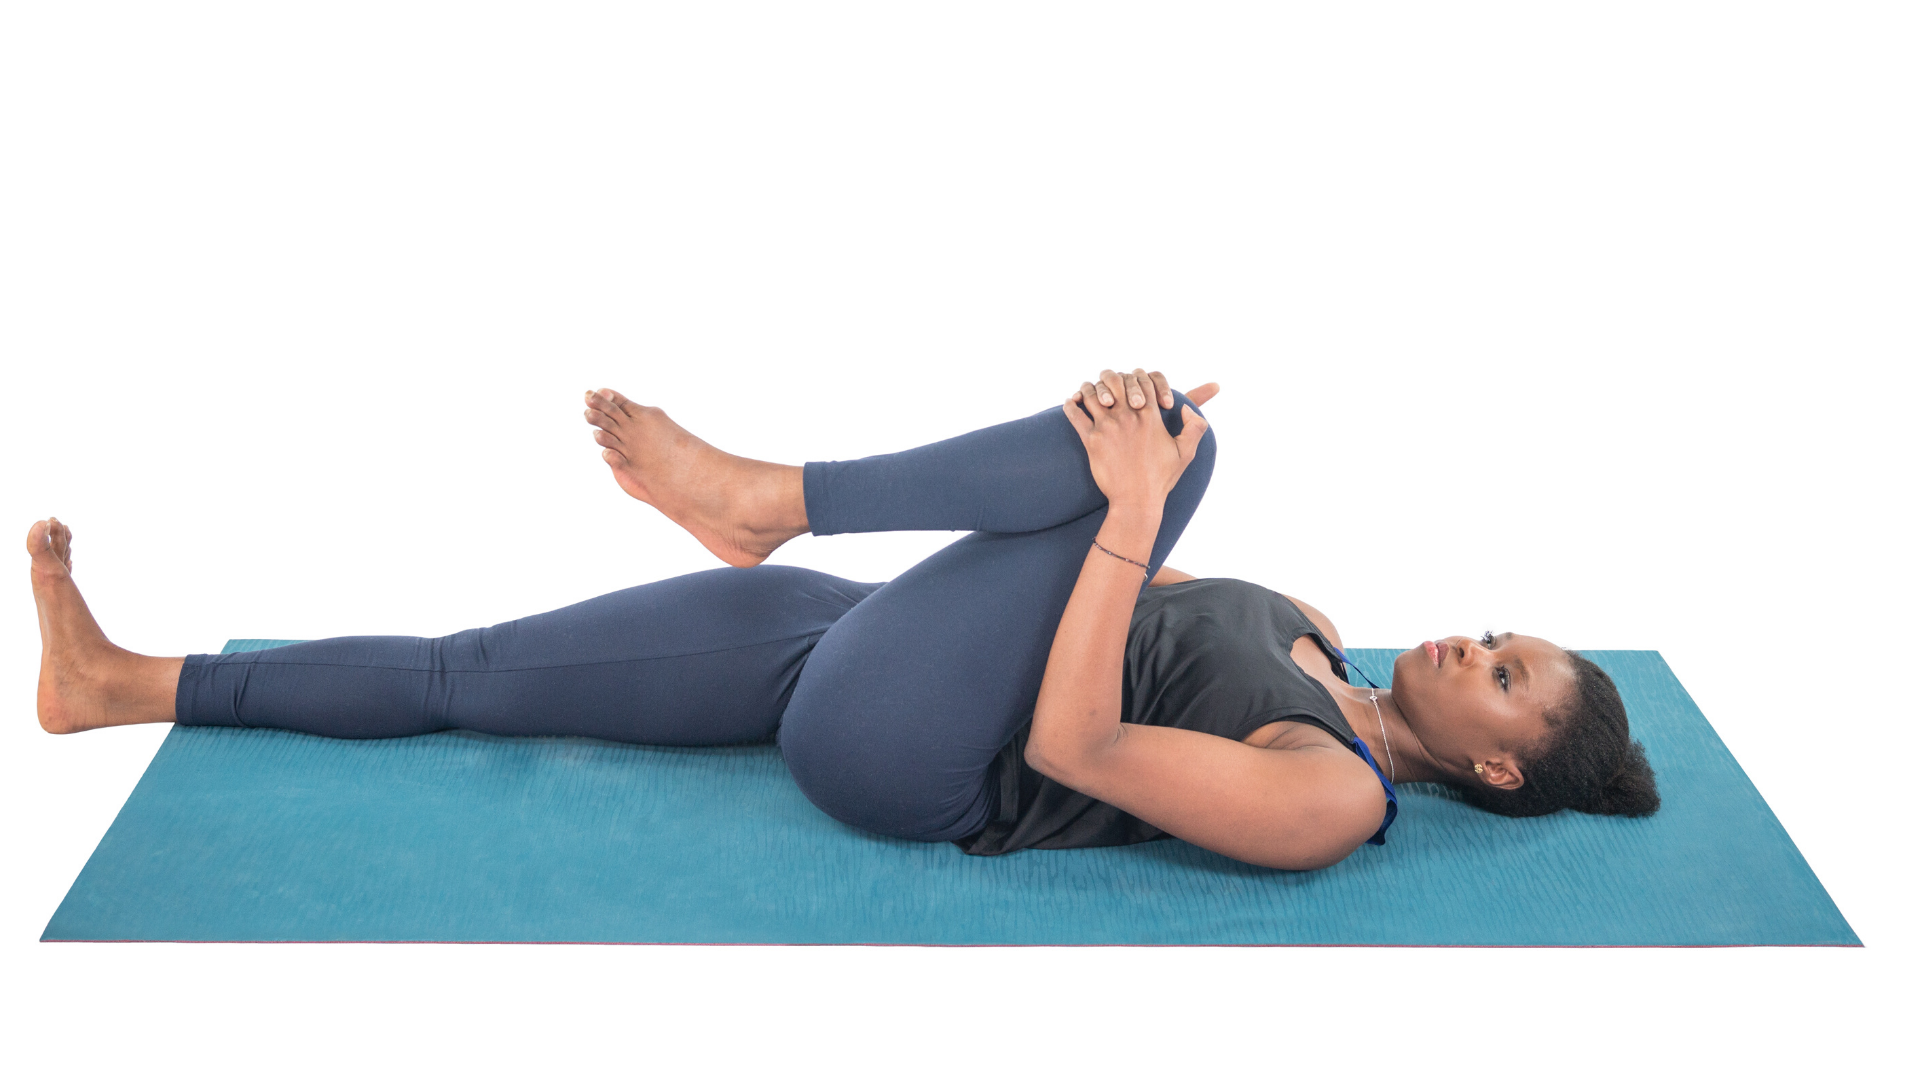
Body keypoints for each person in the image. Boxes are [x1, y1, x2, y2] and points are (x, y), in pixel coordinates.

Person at [27, 369, 1659, 871]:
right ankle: (121, 684)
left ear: (1499, 773)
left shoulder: (1328, 796)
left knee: (1179, 441)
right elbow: (1084, 574)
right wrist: (1121, 525)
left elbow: (1075, 736)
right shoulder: (1315, 624)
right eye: (1502, 632)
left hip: (916, 755)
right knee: (478, 670)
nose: (1472, 645)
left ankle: (768, 495)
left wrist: (1138, 510)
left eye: (1503, 678)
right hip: (853, 644)